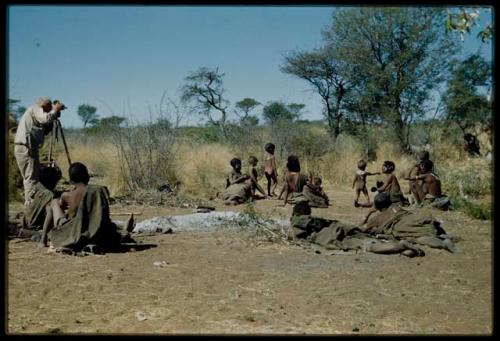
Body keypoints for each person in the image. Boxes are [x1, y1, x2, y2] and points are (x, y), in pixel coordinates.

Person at [43, 162, 131, 251]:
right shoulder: (99, 190)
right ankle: (121, 226)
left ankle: (43, 240)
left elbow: (61, 206)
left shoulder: (67, 195)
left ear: (71, 181)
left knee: (54, 203)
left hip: (74, 230)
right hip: (96, 231)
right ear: (87, 177)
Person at [360, 192, 457, 253]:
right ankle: (445, 237)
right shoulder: (396, 206)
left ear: (376, 207)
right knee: (425, 228)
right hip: (412, 217)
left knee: (417, 237)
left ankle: (442, 244)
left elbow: (362, 230)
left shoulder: (376, 219)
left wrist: (368, 214)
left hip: (401, 225)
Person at [14, 97, 65, 205]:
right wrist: (55, 111)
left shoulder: (37, 114)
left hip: (29, 148)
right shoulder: (36, 109)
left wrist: (53, 117)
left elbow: (45, 128)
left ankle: (33, 202)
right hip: (26, 147)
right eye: (49, 106)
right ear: (44, 105)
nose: (49, 109)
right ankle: (30, 204)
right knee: (31, 177)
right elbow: (45, 119)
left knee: (34, 176)